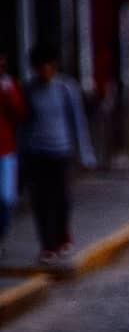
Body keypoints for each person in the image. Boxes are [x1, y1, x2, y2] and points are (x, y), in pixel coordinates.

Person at [20, 43, 95, 264]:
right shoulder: (28, 90)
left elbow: (77, 121)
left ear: (54, 66)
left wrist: (85, 153)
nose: (44, 71)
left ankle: (62, 233)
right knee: (41, 200)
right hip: (36, 152)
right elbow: (23, 125)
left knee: (62, 198)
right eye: (39, 67)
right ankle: (47, 245)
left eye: (48, 66)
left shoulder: (66, 88)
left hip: (60, 151)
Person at [0, 51, 27, 258]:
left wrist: (9, 93)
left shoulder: (8, 86)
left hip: (6, 150)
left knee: (7, 199)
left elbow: (20, 113)